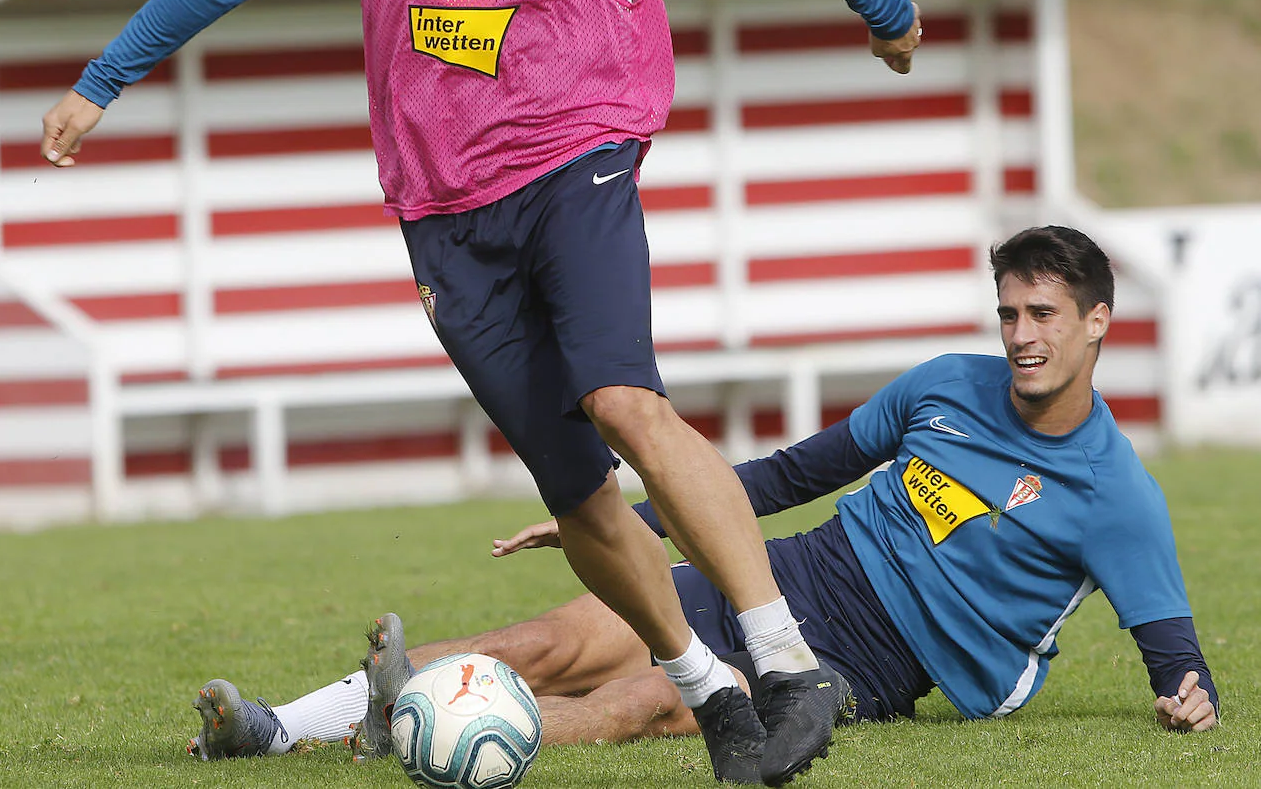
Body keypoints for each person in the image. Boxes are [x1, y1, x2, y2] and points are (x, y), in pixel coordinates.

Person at [41, 0, 923, 785]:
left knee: (623, 399)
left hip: (577, 159)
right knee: (576, 490)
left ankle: (789, 661)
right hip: (444, 215)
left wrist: (880, 3)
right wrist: (103, 80)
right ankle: (711, 688)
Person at [184, 226, 1218, 765]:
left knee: (643, 702)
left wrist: (1187, 698)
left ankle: (421, 726)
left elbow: (1176, 657)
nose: (1021, 334)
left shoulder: (1117, 495)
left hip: (867, 660)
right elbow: (779, 479)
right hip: (783, 573)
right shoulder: (946, 383)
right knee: (552, 636)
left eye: (1042, 313)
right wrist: (616, 522)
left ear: (1096, 323)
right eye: (1007, 312)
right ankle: (276, 727)